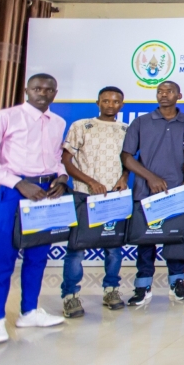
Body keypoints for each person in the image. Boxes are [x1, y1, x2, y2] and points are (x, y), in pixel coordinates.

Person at [0, 74, 69, 345]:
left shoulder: (58, 122)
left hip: (46, 194)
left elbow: (56, 158)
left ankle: (30, 312)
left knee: (38, 255)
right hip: (14, 193)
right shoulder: (6, 117)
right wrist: (18, 183)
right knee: (3, 257)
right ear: (26, 90)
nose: (42, 93)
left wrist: (61, 177)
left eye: (48, 89)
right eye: (37, 88)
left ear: (55, 93)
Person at [121, 80, 184, 306]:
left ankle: (177, 282)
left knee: (175, 240)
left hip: (179, 192)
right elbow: (127, 156)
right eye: (160, 91)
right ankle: (142, 286)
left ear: (179, 95)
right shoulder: (141, 122)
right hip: (146, 191)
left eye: (169, 91)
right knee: (146, 242)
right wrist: (150, 177)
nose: (163, 95)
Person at [60, 86, 131, 318]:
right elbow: (67, 161)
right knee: (77, 249)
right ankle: (70, 295)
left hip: (113, 197)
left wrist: (123, 179)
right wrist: (91, 182)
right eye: (106, 101)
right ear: (98, 102)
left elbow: (128, 161)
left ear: (122, 104)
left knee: (113, 249)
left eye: (116, 101)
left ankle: (111, 289)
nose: (111, 105)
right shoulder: (81, 126)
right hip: (85, 195)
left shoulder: (125, 129)